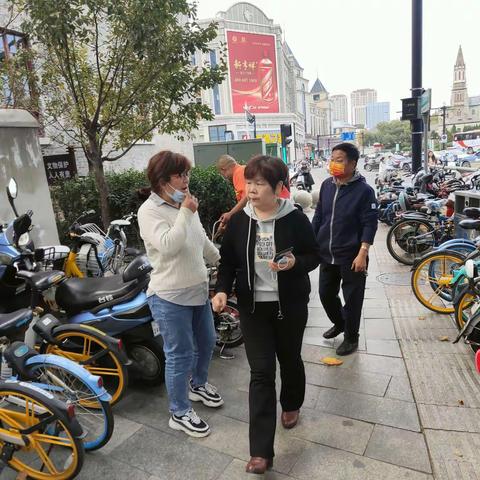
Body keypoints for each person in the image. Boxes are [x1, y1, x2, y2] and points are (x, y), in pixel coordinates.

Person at [212, 155, 320, 474]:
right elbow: (227, 262)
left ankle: (291, 403)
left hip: (290, 305)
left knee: (289, 360)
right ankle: (260, 451)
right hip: (253, 307)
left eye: (260, 184)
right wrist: (221, 290)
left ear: (278, 187)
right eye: (249, 183)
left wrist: (294, 263)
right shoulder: (240, 221)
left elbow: (313, 255)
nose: (253, 190)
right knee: (260, 374)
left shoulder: (295, 219)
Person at [137, 150, 223, 438]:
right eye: (180, 175)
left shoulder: (183, 206)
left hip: (198, 291)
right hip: (169, 296)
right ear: (163, 180)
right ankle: (179, 411)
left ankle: (197, 385)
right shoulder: (150, 211)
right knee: (179, 355)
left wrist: (222, 261)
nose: (186, 179)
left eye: (187, 173)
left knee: (208, 341)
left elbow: (201, 242)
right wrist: (186, 212)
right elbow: (169, 245)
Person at [312, 143, 378, 356]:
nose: (334, 163)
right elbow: (319, 216)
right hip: (327, 253)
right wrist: (312, 241)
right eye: (332, 159)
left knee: (353, 299)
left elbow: (370, 223)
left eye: (339, 159)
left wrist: (363, 253)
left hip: (352, 256)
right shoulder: (326, 185)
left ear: (352, 163)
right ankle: (340, 323)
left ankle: (351, 337)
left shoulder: (364, 191)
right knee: (325, 294)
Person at [216, 154, 290, 225]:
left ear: (223, 169)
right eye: (248, 183)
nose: (251, 191)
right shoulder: (241, 170)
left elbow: (246, 198)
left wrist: (231, 214)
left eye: (259, 184)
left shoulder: (238, 173)